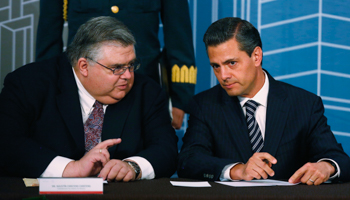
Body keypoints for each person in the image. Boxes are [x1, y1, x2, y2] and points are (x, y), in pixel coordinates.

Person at [0, 16, 178, 182]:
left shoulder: (147, 92)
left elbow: (167, 150)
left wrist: (133, 166)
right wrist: (70, 168)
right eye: (116, 68)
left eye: (131, 65)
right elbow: (7, 143)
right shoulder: (29, 84)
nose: (128, 75)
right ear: (84, 66)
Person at [177, 17, 350, 185]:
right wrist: (237, 170)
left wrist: (326, 166)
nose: (223, 76)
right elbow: (188, 161)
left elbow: (339, 159)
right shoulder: (204, 105)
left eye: (231, 63)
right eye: (216, 66)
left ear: (256, 56)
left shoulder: (304, 104)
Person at [35, 0, 197, 129]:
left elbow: (179, 37)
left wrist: (179, 99)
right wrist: (48, 94)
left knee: (140, 161)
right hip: (81, 95)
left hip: (141, 92)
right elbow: (48, 39)